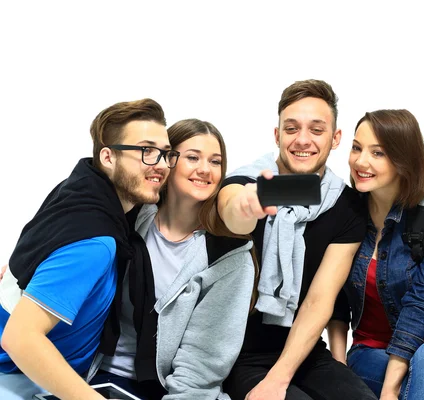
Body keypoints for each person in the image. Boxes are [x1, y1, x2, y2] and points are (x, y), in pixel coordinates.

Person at [0, 98, 175, 400]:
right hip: (22, 378)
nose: (160, 164)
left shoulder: (81, 188)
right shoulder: (95, 242)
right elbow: (20, 338)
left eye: (165, 153)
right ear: (108, 157)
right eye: (146, 151)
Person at [218, 79, 377, 400]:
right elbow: (232, 209)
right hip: (238, 353)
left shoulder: (344, 204)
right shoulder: (250, 180)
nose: (302, 140)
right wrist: (247, 206)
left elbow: (320, 300)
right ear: (277, 135)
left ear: (335, 139)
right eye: (291, 129)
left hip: (304, 349)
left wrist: (279, 378)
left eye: (316, 130)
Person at [85, 118, 258, 400]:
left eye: (215, 162)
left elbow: (202, 364)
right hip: (91, 374)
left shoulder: (229, 258)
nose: (205, 169)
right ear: (167, 161)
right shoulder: (128, 218)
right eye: (193, 157)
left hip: (164, 389)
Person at [327, 109, 424, 400]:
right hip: (371, 351)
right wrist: (338, 366)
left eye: (377, 153)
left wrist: (390, 391)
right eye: (356, 148)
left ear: (402, 160)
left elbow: (420, 304)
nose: (360, 161)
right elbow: (336, 300)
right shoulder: (345, 212)